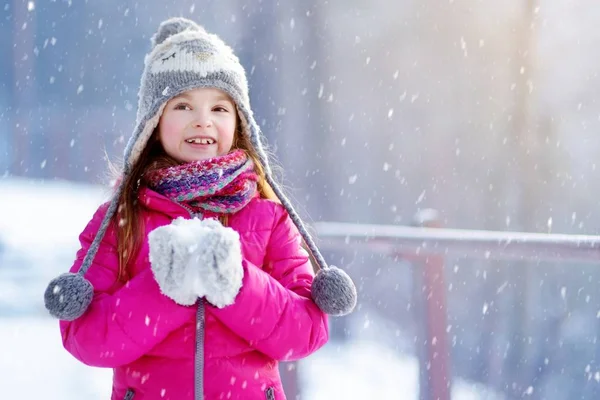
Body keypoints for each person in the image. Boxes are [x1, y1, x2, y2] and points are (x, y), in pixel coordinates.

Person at [43, 17, 356, 400]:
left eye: (220, 108)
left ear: (240, 123)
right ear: (153, 122)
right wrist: (164, 288)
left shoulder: (268, 219)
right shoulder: (123, 220)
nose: (202, 120)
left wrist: (237, 284)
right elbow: (85, 337)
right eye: (183, 104)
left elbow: (306, 332)